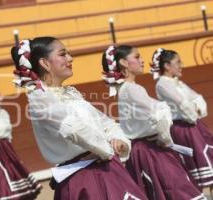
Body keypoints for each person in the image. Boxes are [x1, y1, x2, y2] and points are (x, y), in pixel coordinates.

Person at [11, 37, 148, 200]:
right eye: (62, 54)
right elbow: (75, 130)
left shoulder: (70, 92)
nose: (70, 58)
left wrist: (119, 140)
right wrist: (108, 149)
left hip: (106, 167)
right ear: (45, 63)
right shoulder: (40, 99)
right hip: (83, 178)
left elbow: (106, 123)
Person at [101, 45, 205, 199]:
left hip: (144, 149)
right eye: (137, 57)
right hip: (149, 151)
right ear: (123, 63)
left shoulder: (128, 88)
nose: (142, 60)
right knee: (176, 189)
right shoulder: (131, 89)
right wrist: (165, 139)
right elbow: (159, 114)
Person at [152, 48, 213, 195]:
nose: (181, 65)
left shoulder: (176, 82)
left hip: (194, 127)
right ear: (167, 65)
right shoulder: (163, 84)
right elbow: (184, 104)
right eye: (178, 62)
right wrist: (194, 113)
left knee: (208, 172)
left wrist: (196, 110)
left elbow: (198, 99)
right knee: (201, 176)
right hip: (184, 129)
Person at [0, 83, 42, 199]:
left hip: (6, 149)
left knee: (12, 173)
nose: (0, 98)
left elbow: (8, 132)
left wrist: (8, 147)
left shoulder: (2, 113)